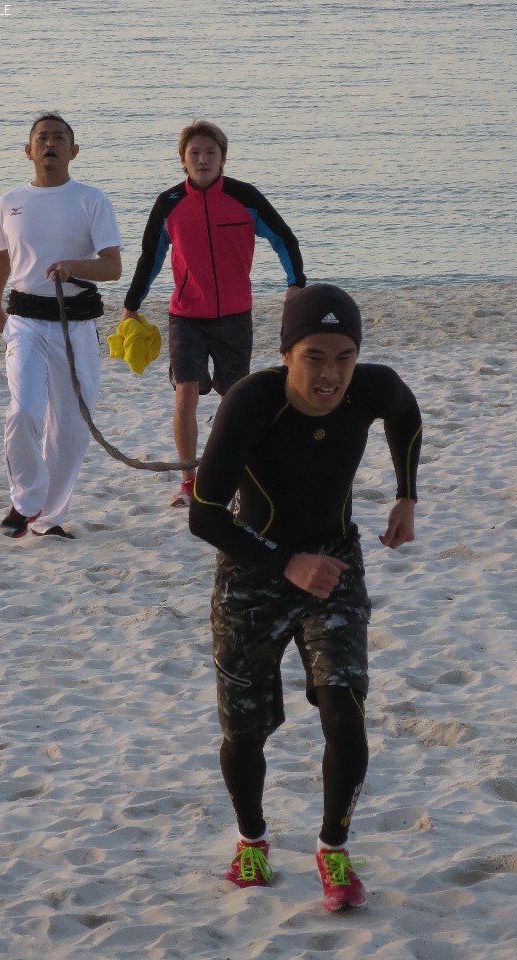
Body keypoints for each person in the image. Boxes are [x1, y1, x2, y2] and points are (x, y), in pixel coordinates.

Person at [188, 283, 422, 911]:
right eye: (314, 356)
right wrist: (286, 563)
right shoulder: (251, 402)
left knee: (344, 712)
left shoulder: (372, 388)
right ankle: (252, 841)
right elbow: (205, 516)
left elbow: (406, 413)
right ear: (287, 353)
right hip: (253, 571)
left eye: (344, 357)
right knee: (244, 732)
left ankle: (333, 850)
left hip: (334, 563)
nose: (330, 375)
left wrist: (406, 495)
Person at [120, 120, 306, 507]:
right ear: (183, 159)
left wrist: (296, 283)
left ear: (223, 157)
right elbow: (150, 258)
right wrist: (131, 305)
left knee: (234, 400)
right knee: (186, 391)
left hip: (234, 316)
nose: (202, 159)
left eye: (210, 152)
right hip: (186, 316)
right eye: (195, 153)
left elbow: (283, 238)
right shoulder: (169, 204)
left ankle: (230, 477)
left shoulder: (245, 197)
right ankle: (189, 482)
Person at [0, 112, 123, 539]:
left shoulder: (92, 200)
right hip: (24, 321)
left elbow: (113, 267)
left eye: (59, 138)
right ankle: (25, 502)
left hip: (75, 324)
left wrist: (72, 266)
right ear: (28, 151)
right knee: (24, 410)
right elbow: (1, 256)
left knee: (70, 427)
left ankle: (48, 519)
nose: (50, 144)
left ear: (73, 150)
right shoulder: (8, 202)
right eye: (42, 138)